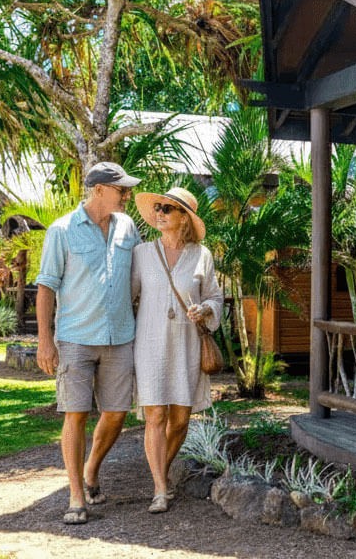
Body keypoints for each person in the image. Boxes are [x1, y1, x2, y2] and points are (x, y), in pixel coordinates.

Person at [35, 161, 142, 526]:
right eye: (121, 190)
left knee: (116, 413)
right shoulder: (61, 231)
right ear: (99, 190)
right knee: (75, 414)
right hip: (76, 338)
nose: (127, 195)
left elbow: (140, 275)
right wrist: (45, 341)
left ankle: (92, 469)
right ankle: (76, 495)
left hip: (120, 337)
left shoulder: (128, 227)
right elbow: (46, 286)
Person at [131, 186, 222, 514]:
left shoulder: (202, 255)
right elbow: (128, 297)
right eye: (158, 207)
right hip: (149, 343)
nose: (160, 213)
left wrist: (206, 310)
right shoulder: (141, 254)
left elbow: (215, 296)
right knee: (155, 415)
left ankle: (162, 471)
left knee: (181, 418)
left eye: (168, 209)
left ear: (185, 217)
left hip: (186, 344)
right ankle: (159, 488)